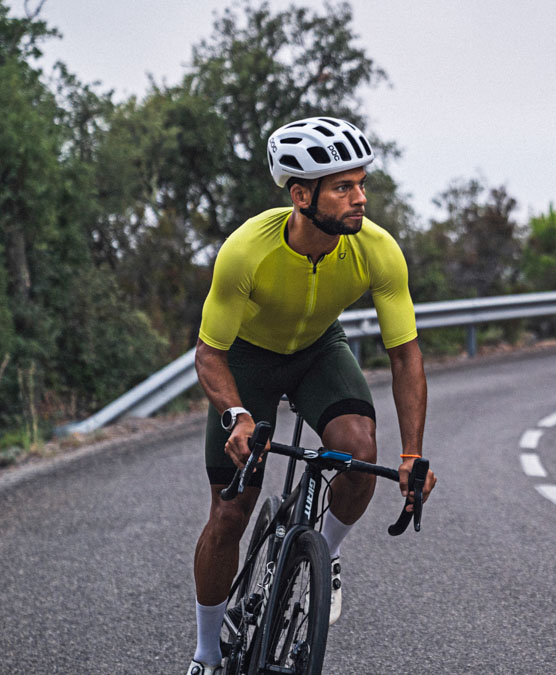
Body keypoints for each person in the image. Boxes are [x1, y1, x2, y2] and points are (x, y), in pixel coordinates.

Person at [186, 116, 437, 675]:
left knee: (357, 448)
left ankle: (326, 549)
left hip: (318, 351)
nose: (360, 199)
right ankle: (206, 654)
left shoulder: (376, 250)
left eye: (361, 184)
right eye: (343, 187)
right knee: (231, 513)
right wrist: (238, 418)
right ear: (302, 195)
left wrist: (413, 454)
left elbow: (406, 355)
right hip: (245, 359)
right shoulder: (246, 251)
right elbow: (208, 353)